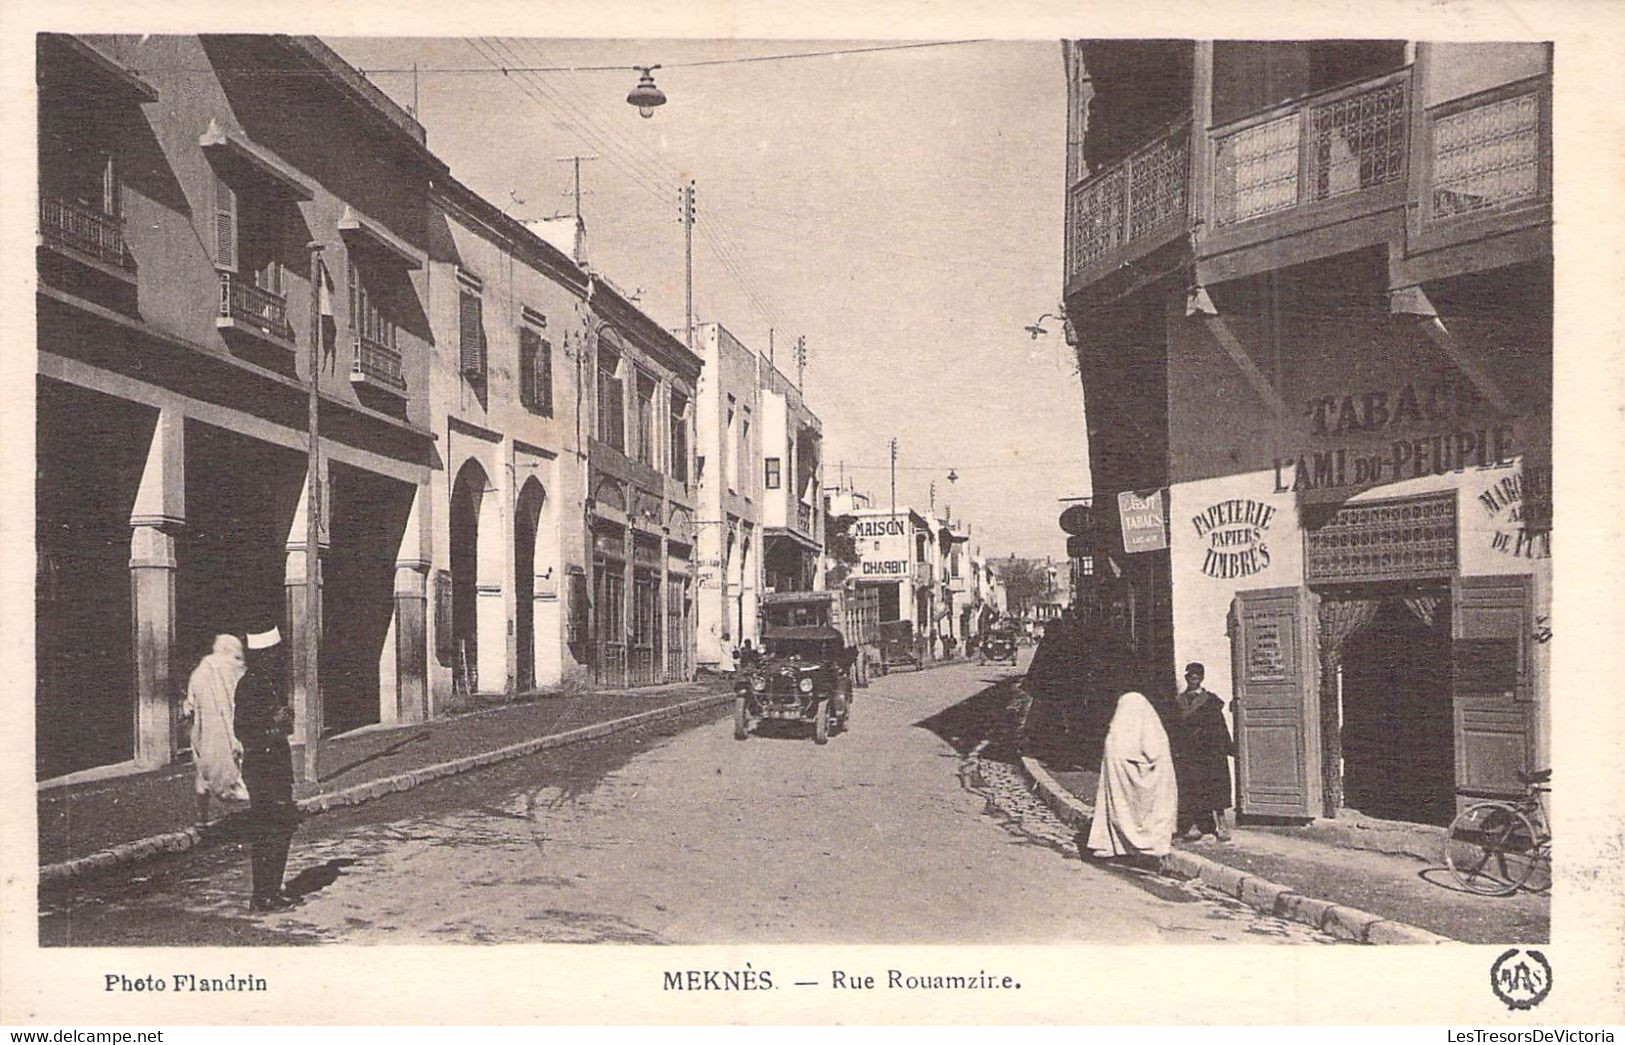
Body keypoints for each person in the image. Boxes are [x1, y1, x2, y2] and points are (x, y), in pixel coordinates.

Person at [234, 625, 301, 912]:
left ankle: (272, 889)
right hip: (262, 765)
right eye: (274, 654)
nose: (279, 658)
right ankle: (263, 895)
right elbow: (242, 728)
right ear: (263, 655)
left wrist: (284, 719)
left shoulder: (271, 682)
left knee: (281, 827)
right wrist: (273, 722)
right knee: (268, 830)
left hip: (277, 764)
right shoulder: (250, 685)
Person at [1086, 691, 1179, 866]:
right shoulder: (1153, 730)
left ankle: (1114, 845)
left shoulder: (1115, 735)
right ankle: (1150, 843)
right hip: (1147, 774)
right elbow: (1153, 752)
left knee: (1119, 808)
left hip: (1119, 778)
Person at [182, 634, 250, 824]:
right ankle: (259, 814)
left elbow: (190, 704)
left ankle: (202, 819)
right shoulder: (237, 670)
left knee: (203, 775)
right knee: (243, 769)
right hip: (232, 728)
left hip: (205, 732)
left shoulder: (200, 671)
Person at [1165, 662, 1236, 842]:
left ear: (1202, 678)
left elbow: (1220, 726)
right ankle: (1192, 826)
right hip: (1188, 752)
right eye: (1190, 676)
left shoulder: (1211, 701)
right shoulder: (1178, 702)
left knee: (1214, 787)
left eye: (1197, 676)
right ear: (1186, 678)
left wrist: (1227, 747)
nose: (1193, 679)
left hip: (1209, 751)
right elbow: (1173, 728)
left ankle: (1221, 825)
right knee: (1190, 788)